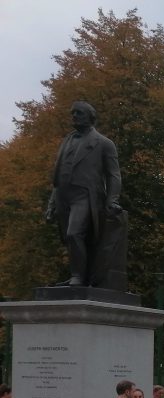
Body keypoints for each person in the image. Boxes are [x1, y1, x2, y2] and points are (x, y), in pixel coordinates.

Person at [44, 101, 122, 287]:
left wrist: (112, 200)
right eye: (73, 113)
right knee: (69, 238)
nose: (74, 116)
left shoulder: (104, 143)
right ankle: (77, 274)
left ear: (91, 117)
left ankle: (78, 277)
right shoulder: (67, 140)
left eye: (79, 113)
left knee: (74, 234)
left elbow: (114, 174)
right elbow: (58, 175)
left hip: (85, 196)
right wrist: (51, 204)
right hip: (64, 196)